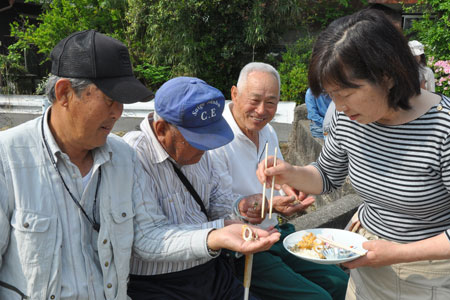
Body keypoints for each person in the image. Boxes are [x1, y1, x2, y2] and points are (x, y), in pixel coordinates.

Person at [257, 9, 450, 300]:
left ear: (387, 75)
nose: (339, 105)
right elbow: (326, 176)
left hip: (427, 273)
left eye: (346, 93)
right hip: (365, 256)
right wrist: (290, 172)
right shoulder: (344, 116)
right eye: (331, 94)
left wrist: (399, 252)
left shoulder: (442, 128)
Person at [0, 30, 155, 299]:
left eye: (121, 102)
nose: (118, 112)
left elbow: (149, 234)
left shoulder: (123, 158)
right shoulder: (8, 158)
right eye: (109, 100)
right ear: (64, 93)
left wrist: (215, 234)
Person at [123, 76, 280, 300]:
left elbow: (217, 199)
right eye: (197, 141)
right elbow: (148, 239)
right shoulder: (133, 154)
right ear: (161, 129)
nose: (205, 150)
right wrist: (216, 235)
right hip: (157, 285)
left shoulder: (203, 153)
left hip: (211, 272)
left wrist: (240, 207)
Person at [210, 62, 349, 300]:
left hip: (277, 232)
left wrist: (291, 190)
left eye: (271, 102)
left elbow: (279, 177)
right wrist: (270, 205)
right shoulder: (215, 138)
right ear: (234, 93)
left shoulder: (267, 131)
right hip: (243, 246)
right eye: (254, 100)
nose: (262, 110)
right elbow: (216, 206)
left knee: (341, 282)